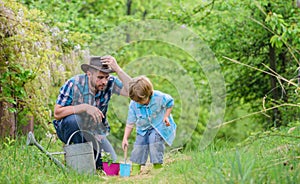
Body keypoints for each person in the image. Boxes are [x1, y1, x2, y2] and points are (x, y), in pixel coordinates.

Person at [53, 55, 131, 170]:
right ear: (89, 74)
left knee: (110, 164)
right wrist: (84, 107)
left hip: (95, 133)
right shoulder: (74, 84)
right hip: (69, 129)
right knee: (75, 120)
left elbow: (133, 92)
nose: (104, 81)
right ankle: (77, 160)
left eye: (106, 77)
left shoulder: (109, 83)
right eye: (100, 77)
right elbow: (57, 113)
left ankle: (91, 161)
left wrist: (118, 69)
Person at [122, 76, 177, 175]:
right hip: (143, 128)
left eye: (140, 101)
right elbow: (130, 122)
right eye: (136, 101)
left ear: (148, 94)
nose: (138, 103)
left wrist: (166, 116)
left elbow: (170, 102)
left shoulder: (159, 97)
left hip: (158, 126)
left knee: (154, 141)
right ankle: (135, 168)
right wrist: (125, 138)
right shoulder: (134, 104)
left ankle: (157, 166)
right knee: (139, 146)